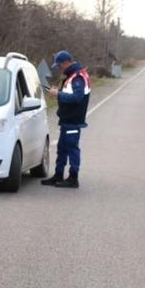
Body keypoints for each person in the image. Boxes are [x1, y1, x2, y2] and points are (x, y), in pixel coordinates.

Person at [41, 50, 90, 188]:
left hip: (73, 120)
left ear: (66, 62)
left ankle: (73, 178)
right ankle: (58, 175)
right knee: (62, 149)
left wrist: (58, 94)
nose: (59, 68)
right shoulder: (72, 76)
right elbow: (69, 93)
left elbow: (77, 97)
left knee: (72, 149)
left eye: (59, 65)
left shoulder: (78, 77)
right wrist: (59, 93)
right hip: (66, 120)